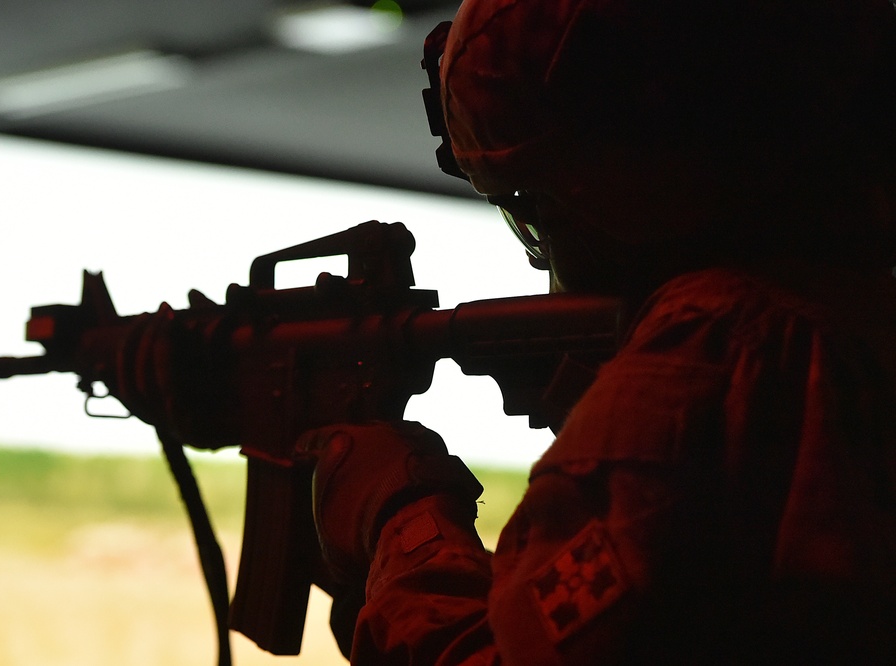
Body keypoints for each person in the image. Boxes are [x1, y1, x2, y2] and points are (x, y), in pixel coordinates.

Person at [299, 0, 896, 663]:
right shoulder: (840, 324)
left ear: (624, 192)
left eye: (540, 211)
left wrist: (402, 516)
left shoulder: (725, 340)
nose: (551, 255)